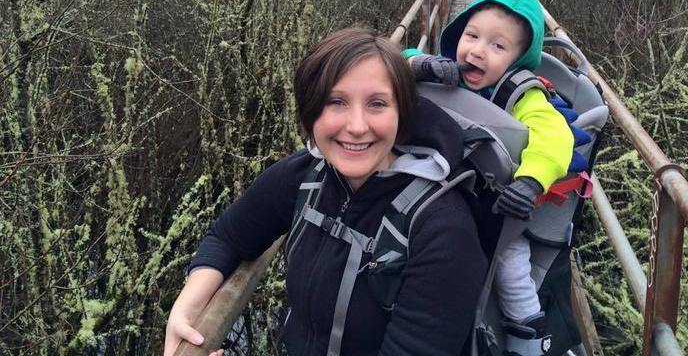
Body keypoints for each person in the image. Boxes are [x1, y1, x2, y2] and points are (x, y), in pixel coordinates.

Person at [164, 27, 487, 356]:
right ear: (310, 112)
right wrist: (187, 310)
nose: (357, 126)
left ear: (401, 114)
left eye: (377, 103)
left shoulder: (443, 229)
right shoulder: (307, 174)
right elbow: (229, 237)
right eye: (336, 102)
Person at [405, 0, 573, 355]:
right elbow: (398, 60)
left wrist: (531, 182)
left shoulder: (522, 96)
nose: (478, 50)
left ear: (516, 60)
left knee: (511, 262)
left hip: (493, 200)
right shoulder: (443, 70)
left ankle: (526, 329)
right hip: (438, 184)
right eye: (471, 35)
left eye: (498, 46)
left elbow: (556, 136)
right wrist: (422, 66)